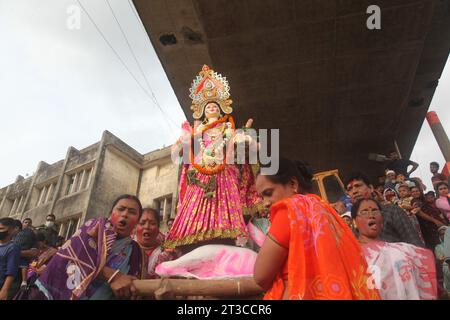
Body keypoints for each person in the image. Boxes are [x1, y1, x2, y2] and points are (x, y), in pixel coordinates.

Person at [165, 65, 262, 252]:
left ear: (222, 108)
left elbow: (251, 145)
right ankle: (192, 236)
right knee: (196, 204)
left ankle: (227, 234)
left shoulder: (228, 128)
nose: (210, 107)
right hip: (200, 171)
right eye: (207, 105)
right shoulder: (196, 130)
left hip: (225, 170)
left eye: (214, 105)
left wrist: (247, 139)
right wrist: (185, 141)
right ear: (201, 109)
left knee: (225, 203)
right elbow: (176, 150)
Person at [253, 158, 380, 300]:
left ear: (293, 184)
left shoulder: (289, 211)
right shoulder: (325, 210)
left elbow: (260, 276)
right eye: (261, 197)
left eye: (268, 193)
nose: (265, 203)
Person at [23, 194, 147, 300]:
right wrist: (114, 276)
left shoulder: (136, 252)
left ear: (137, 220)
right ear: (110, 213)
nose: (125, 214)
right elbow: (75, 258)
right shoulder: (93, 227)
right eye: (121, 209)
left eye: (132, 212)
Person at [352, 198, 437, 300]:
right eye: (364, 212)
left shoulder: (403, 250)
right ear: (354, 222)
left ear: (382, 221)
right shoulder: (352, 255)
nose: (371, 215)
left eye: (375, 211)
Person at [345, 172, 424, 247]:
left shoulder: (392, 211)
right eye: (350, 189)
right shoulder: (354, 222)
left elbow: (414, 243)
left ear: (371, 188)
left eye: (358, 186)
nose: (354, 191)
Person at [135, 208, 174, 279]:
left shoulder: (167, 255)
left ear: (158, 229)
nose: (147, 227)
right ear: (135, 227)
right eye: (142, 223)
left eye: (152, 223)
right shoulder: (126, 250)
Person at [12, 218, 37, 293]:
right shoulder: (13, 234)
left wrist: (18, 252)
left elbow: (34, 252)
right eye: (25, 222)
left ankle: (24, 282)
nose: (27, 224)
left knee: (24, 265)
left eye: (29, 223)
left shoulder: (32, 234)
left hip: (21, 260)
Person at [0, 218, 21, 300]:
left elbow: (11, 272)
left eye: (1, 228)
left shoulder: (13, 248)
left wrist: (4, 290)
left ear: (10, 230)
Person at [435, 226, 450, 298]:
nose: (443, 235)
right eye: (441, 234)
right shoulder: (438, 247)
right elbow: (440, 257)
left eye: (445, 233)